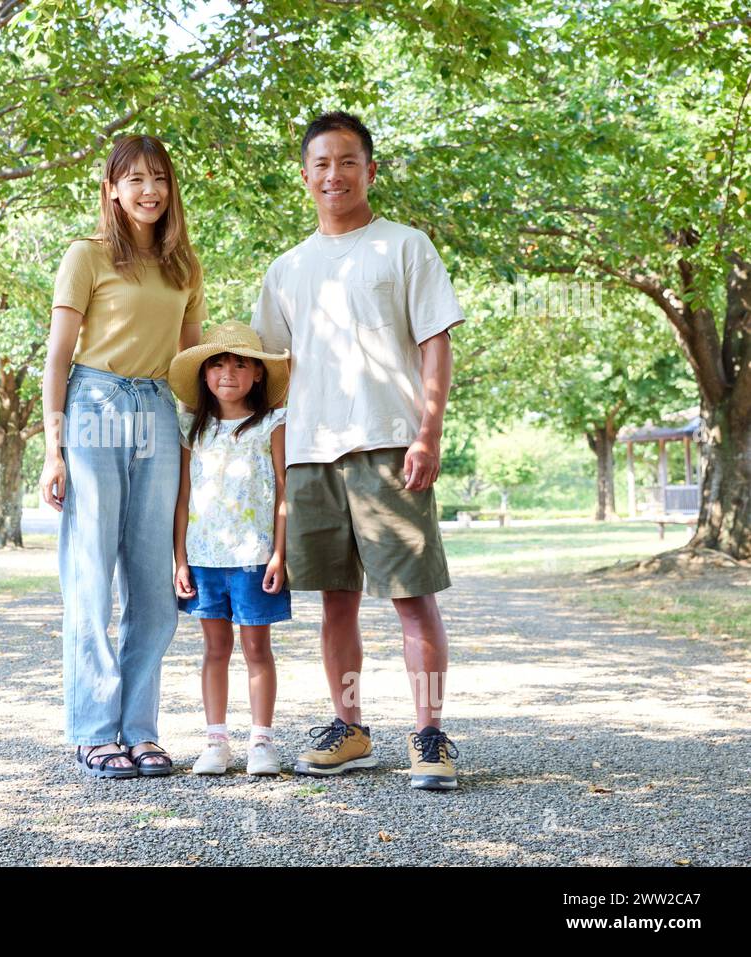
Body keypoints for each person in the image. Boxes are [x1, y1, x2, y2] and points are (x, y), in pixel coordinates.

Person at [251, 111, 466, 790]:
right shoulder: (286, 269)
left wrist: (428, 432)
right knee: (334, 601)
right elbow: (269, 370)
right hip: (312, 453)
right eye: (321, 163)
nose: (333, 174)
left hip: (389, 446)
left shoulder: (404, 246)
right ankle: (350, 727)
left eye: (347, 161)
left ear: (370, 171)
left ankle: (430, 734)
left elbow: (436, 341)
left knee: (412, 596)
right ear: (305, 176)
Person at [39, 134, 205, 779]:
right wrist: (53, 449)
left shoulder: (184, 266)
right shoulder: (87, 255)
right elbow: (58, 355)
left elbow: (190, 362)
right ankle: (91, 730)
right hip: (95, 406)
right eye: (133, 178)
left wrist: (199, 439)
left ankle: (140, 728)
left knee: (153, 581)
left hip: (159, 412)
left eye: (158, 177)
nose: (148, 190)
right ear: (111, 188)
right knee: (90, 573)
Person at [168, 322, 291, 776]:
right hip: (203, 558)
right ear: (203, 374)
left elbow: (284, 492)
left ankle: (262, 741)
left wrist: (280, 552)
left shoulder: (273, 424)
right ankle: (215, 740)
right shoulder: (190, 430)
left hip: (255, 558)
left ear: (258, 374)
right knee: (214, 649)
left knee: (257, 648)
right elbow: (182, 497)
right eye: (218, 364)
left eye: (241, 364)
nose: (228, 372)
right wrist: (180, 558)